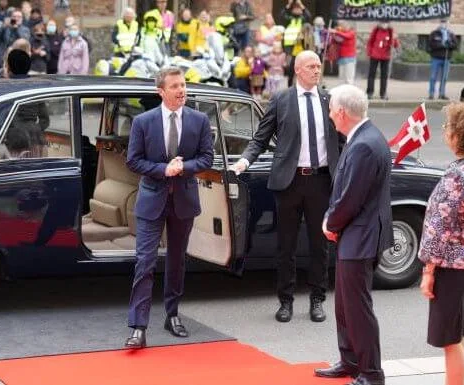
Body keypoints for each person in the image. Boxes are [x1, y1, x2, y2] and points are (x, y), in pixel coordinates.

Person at [230, 51, 343, 323]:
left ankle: (317, 299)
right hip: (289, 182)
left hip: (321, 180)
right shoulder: (281, 100)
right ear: (298, 70)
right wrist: (244, 161)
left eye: (319, 66)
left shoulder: (330, 100)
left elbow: (344, 138)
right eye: (311, 66)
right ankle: (286, 301)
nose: (317, 70)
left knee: (320, 244)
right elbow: (261, 138)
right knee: (286, 246)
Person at [124, 67, 214, 349]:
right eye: (174, 86)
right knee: (145, 262)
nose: (181, 90)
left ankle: (172, 315)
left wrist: (183, 167)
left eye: (183, 85)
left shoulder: (199, 120)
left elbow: (207, 158)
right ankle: (138, 326)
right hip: (151, 200)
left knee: (177, 261)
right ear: (160, 92)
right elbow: (133, 161)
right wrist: (165, 169)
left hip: (183, 201)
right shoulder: (143, 122)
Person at [315, 84, 392, 385]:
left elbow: (351, 198)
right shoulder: (362, 136)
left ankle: (371, 373)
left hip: (360, 237)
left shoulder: (363, 143)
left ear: (343, 112)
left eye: (332, 108)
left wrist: (330, 224)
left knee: (357, 309)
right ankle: (349, 361)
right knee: (344, 306)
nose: (331, 114)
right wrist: (332, 221)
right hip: (356, 235)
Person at [418, 102, 464, 385]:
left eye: (448, 127)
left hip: (452, 266)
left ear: (458, 136)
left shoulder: (457, 176)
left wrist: (428, 272)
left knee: (450, 338)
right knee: (458, 335)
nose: (445, 131)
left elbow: (438, 227)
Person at [366, 20, 399, 100]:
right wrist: (369, 52)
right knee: (372, 74)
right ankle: (370, 92)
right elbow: (370, 41)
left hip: (385, 56)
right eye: (383, 23)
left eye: (386, 23)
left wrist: (395, 39)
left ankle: (383, 93)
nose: (384, 25)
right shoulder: (376, 30)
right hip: (375, 55)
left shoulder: (391, 31)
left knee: (384, 76)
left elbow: (395, 44)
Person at [282, 0, 311, 86]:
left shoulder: (302, 19)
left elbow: (308, 16)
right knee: (290, 67)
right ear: (292, 11)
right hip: (289, 46)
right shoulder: (289, 19)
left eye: (299, 9)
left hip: (299, 46)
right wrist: (289, 4)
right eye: (296, 9)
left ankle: (299, 84)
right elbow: (282, 15)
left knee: (300, 66)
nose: (298, 11)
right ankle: (290, 85)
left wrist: (301, 4)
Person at [427, 18, 458, 100]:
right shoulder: (434, 33)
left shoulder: (450, 34)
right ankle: (431, 94)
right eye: (442, 22)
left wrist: (449, 44)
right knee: (433, 77)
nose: (444, 24)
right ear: (440, 23)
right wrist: (442, 45)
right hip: (436, 58)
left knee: (444, 77)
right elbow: (431, 44)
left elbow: (455, 45)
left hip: (446, 58)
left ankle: (442, 93)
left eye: (445, 22)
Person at [330, 21, 357, 85]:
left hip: (349, 58)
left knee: (349, 78)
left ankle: (350, 93)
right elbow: (335, 40)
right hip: (341, 57)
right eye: (340, 25)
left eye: (342, 25)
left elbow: (347, 36)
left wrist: (336, 31)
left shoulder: (352, 32)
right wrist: (333, 35)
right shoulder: (341, 32)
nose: (341, 27)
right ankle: (342, 93)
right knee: (341, 77)